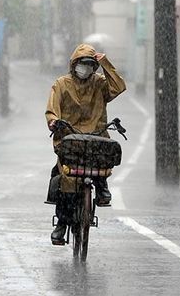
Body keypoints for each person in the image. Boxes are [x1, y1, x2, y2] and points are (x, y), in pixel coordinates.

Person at [45, 43, 126, 244]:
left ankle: (102, 186)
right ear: (74, 64)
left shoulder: (99, 84)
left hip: (96, 139)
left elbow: (119, 87)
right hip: (69, 140)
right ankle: (62, 224)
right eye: (82, 64)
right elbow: (52, 109)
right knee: (65, 179)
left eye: (90, 64)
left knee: (103, 162)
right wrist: (53, 121)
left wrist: (105, 62)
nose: (86, 68)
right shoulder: (61, 84)